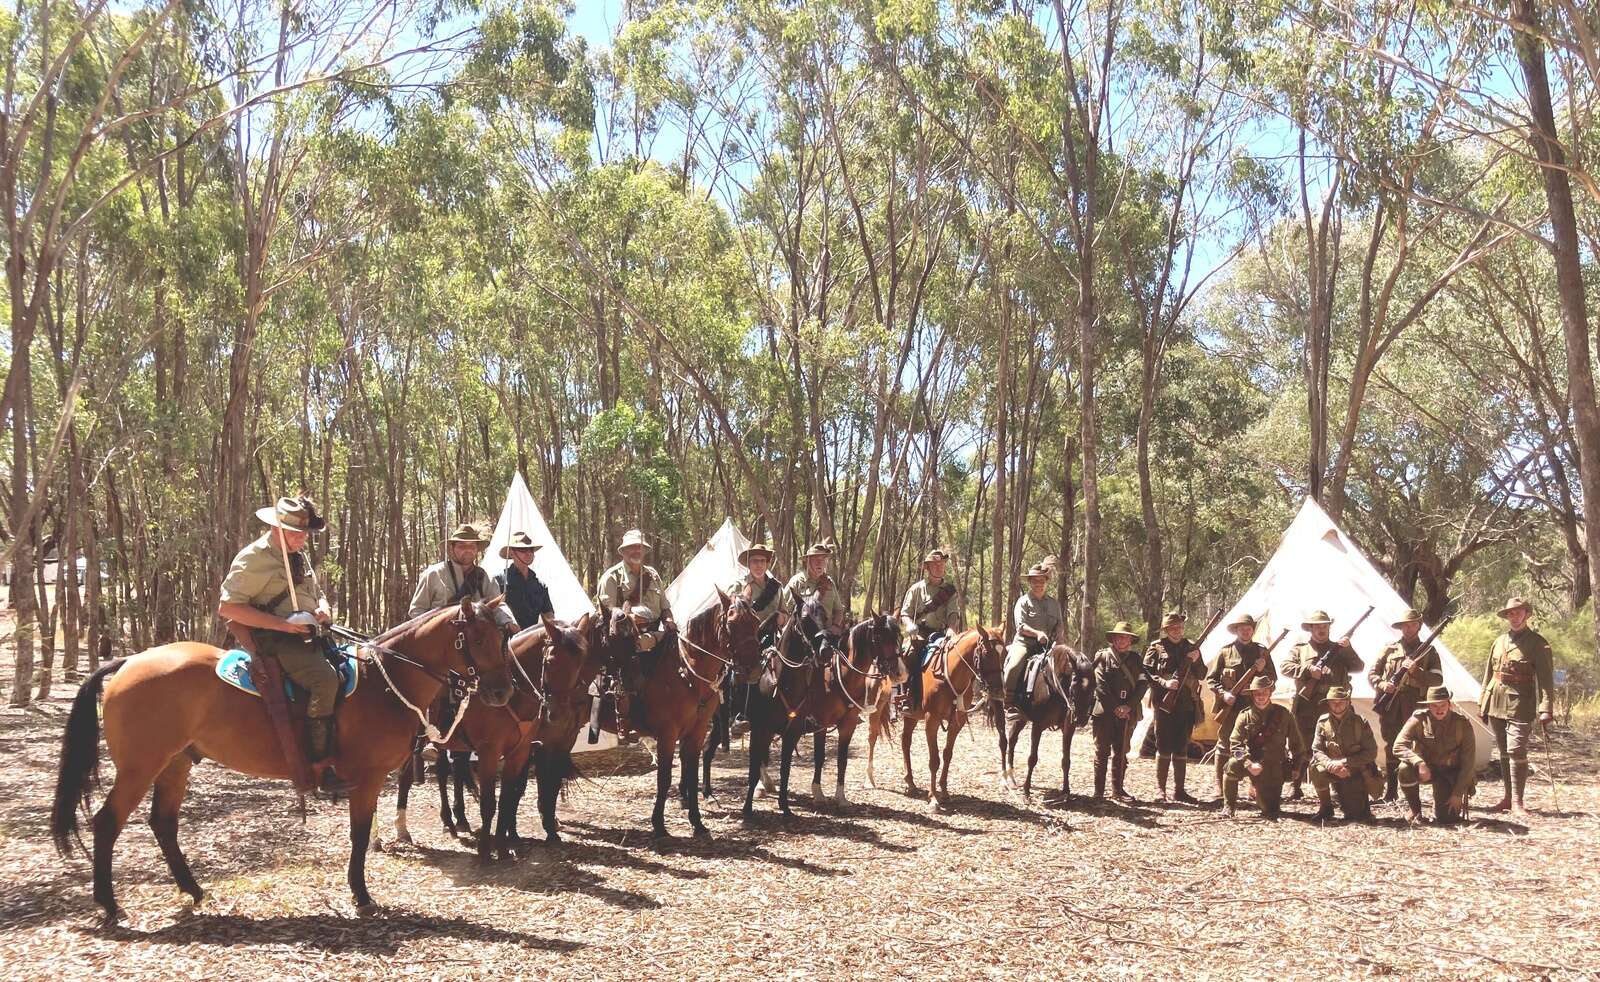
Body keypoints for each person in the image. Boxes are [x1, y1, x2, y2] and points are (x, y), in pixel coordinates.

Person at [217, 497, 343, 791]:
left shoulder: (298, 553)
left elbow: (316, 592)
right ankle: (318, 764)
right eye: (294, 532)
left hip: (308, 632)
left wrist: (323, 609)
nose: (301, 538)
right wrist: (284, 625)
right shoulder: (254, 558)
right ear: (275, 528)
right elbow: (229, 608)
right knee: (324, 680)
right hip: (274, 637)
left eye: (304, 534)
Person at [595, 529, 677, 735]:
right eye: (631, 547)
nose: (636, 550)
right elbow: (607, 612)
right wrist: (627, 618)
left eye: (639, 547)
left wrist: (669, 621)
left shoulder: (653, 574)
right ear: (623, 551)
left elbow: (665, 606)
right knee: (630, 672)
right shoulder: (611, 577)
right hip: (622, 637)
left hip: (655, 634)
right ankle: (627, 721)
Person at [1480, 596, 1554, 815]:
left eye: (1518, 612)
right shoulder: (1499, 641)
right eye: (1510, 613)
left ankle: (1518, 803)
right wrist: (1482, 701)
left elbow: (1546, 678)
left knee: (1516, 750)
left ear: (1527, 614)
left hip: (1521, 702)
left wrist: (1546, 707)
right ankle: (1507, 798)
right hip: (1496, 701)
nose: (1514, 616)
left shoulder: (1538, 643)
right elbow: (1488, 674)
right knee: (1503, 751)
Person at [1282, 610, 1363, 801]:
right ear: (1310, 628)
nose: (1321, 630)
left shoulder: (1340, 649)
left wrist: (1348, 648)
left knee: (1335, 745)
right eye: (1317, 626)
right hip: (1307, 705)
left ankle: (1336, 787)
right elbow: (1285, 667)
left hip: (1334, 706)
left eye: (1325, 626)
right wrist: (1308, 670)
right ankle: (1296, 785)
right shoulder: (1300, 649)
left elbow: (1358, 667)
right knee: (1301, 744)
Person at [1367, 608, 1441, 802]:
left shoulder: (1429, 651)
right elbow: (1373, 673)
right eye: (1405, 625)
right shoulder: (1390, 648)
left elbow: (1436, 680)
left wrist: (1416, 671)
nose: (1408, 629)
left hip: (1415, 704)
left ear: (1419, 625)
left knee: (1415, 746)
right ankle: (1391, 791)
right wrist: (1383, 685)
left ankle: (1413, 794)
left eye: (1412, 624)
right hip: (1391, 704)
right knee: (1391, 745)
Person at [1206, 613, 1276, 802]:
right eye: (1242, 628)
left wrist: (1263, 671)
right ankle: (1219, 786)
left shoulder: (1262, 652)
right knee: (1224, 745)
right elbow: (1211, 680)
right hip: (1231, 705)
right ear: (1236, 630)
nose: (1246, 631)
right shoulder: (1225, 652)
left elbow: (1273, 680)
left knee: (1255, 744)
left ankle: (1254, 786)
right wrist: (1223, 694)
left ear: (1253, 630)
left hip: (1254, 705)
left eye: (1249, 628)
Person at [725, 540, 786, 737]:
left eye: (762, 561)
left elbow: (784, 611)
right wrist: (744, 599)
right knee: (738, 672)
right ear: (748, 564)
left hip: (773, 636)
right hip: (746, 638)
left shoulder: (776, 587)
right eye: (754, 561)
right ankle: (739, 715)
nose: (758, 565)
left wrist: (781, 617)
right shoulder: (739, 584)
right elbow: (730, 609)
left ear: (767, 563)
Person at [409, 523, 517, 633]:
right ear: (452, 548)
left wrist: (508, 622)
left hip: (475, 643)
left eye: (472, 546)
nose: (468, 550)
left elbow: (497, 606)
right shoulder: (433, 574)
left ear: (476, 550)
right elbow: (417, 610)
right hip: (440, 642)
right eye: (462, 546)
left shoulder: (486, 578)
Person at [1393, 684, 1477, 824]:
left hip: (1449, 773)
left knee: (1447, 819)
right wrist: (1419, 762)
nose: (1439, 710)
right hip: (1427, 769)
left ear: (1449, 704)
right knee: (1404, 769)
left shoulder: (1462, 724)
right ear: (1428, 706)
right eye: (1434, 706)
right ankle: (1415, 810)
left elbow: (1469, 762)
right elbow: (1398, 746)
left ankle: (1440, 803)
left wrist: (1457, 793)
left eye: (1442, 705)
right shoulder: (1418, 720)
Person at [1223, 676, 1305, 819]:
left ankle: (1258, 789)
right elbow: (1235, 746)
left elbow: (1297, 745)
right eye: (1257, 693)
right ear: (1252, 695)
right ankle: (1228, 807)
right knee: (1232, 765)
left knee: (1270, 810)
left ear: (1270, 692)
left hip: (1274, 765)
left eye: (1264, 692)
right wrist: (1248, 764)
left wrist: (1296, 767)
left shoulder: (1284, 715)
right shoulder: (1244, 716)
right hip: (1251, 762)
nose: (1261, 696)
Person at [1144, 610, 1204, 804]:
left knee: (1181, 748)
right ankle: (1160, 791)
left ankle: (1180, 791)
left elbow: (1202, 673)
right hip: (1163, 704)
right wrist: (1164, 683)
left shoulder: (1192, 647)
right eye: (1172, 627)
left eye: (1179, 626)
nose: (1176, 630)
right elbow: (1146, 672)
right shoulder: (1156, 647)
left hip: (1186, 705)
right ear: (1166, 629)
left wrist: (1195, 661)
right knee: (1163, 746)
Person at [896, 549, 964, 713]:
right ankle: (907, 695)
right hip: (919, 632)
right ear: (927, 567)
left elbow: (953, 613)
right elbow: (905, 612)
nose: (940, 567)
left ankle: (959, 699)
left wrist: (952, 629)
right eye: (935, 564)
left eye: (941, 564)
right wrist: (909, 624)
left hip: (942, 633)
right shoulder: (916, 589)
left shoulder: (950, 590)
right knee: (909, 654)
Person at [1091, 622, 1147, 802]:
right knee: (1101, 752)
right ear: (1113, 639)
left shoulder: (1136, 659)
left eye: (1126, 637)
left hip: (1128, 713)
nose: (1123, 640)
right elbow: (1099, 684)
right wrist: (1116, 707)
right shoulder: (1103, 657)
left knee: (1121, 752)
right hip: (1105, 712)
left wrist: (1128, 706)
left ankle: (1118, 790)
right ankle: (1098, 793)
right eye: (1119, 637)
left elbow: (1143, 683)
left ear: (1130, 640)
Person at [1308, 686, 1382, 822]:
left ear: (1348, 702)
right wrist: (1330, 765)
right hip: (1332, 768)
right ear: (1328, 703)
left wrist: (1345, 763)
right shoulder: (1323, 722)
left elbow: (1371, 752)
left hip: (1354, 771)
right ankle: (1326, 808)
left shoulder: (1360, 722)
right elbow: (1317, 749)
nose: (1337, 705)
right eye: (1333, 702)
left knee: (1355, 816)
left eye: (1341, 701)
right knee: (1316, 768)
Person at [1003, 561, 1063, 707]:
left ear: (1046, 582)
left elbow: (1059, 625)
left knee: (1068, 668)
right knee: (1013, 667)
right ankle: (1008, 701)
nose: (1039, 584)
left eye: (1042, 581)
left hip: (1049, 646)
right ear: (1030, 582)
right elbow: (1021, 626)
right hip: (1025, 643)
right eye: (1035, 581)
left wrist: (1060, 643)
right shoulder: (1023, 602)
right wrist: (1037, 634)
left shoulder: (1054, 604)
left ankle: (1066, 705)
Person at [783, 541, 844, 642]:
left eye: (823, 559)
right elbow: (784, 609)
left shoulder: (829, 583)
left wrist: (835, 626)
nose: (820, 563)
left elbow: (838, 610)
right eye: (816, 559)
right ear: (807, 561)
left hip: (825, 639)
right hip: (801, 640)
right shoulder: (796, 582)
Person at [495, 530, 553, 630]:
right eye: (522, 550)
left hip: (532, 638)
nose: (528, 553)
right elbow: (493, 612)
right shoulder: (500, 581)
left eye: (531, 550)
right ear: (512, 553)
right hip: (507, 639)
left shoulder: (540, 585)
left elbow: (548, 614)